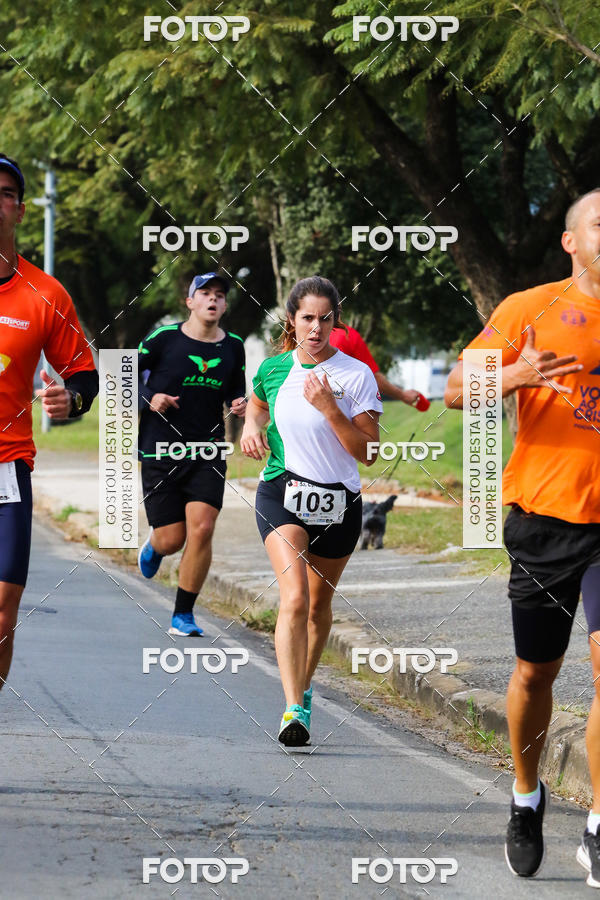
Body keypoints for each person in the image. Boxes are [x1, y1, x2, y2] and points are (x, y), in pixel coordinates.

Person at [445, 187, 600, 886]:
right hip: (543, 518)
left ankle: (599, 823)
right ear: (571, 240)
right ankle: (525, 795)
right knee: (536, 672)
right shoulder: (525, 309)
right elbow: (455, 390)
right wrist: (515, 374)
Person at [241, 276, 382, 746]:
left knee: (320, 606)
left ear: (335, 322)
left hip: (339, 501)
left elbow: (368, 453)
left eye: (325, 318)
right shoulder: (274, 368)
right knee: (295, 598)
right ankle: (292, 708)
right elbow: (258, 405)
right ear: (292, 321)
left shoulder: (356, 375)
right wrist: (249, 427)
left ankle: (304, 686)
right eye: (307, 318)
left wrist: (330, 409)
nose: (316, 327)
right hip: (281, 491)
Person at [0, 154, 98, 689]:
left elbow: (84, 375)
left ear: (18, 210)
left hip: (7, 467)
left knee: (2, 615)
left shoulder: (45, 294)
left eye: (5, 193)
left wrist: (71, 401)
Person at [137, 272, 246, 637]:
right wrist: (150, 398)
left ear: (225, 304)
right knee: (172, 538)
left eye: (219, 295)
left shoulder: (233, 345)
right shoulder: (163, 338)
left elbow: (235, 392)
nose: (213, 299)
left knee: (202, 528)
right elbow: (120, 376)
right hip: (160, 450)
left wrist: (240, 405)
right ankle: (155, 544)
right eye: (205, 293)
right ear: (190, 302)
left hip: (207, 450)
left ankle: (182, 615)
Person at [330, 322, 422, 407]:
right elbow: (373, 377)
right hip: (342, 411)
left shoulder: (317, 335)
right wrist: (403, 395)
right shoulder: (347, 335)